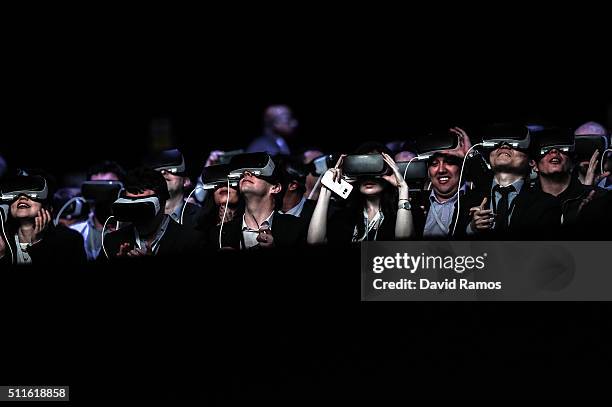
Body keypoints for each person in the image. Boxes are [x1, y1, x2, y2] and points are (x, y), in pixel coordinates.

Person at [455, 126, 561, 239]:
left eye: (514, 142)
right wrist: (471, 229)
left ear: (531, 163)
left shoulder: (546, 205)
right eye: (497, 144)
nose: (504, 145)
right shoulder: (466, 201)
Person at [307, 143, 414, 245]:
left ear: (390, 170)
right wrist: (327, 188)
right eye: (363, 167)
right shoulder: (343, 217)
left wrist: (403, 189)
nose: (369, 176)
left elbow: (404, 245)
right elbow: (314, 242)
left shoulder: (405, 213)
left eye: (374, 167)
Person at [99, 167, 202, 260]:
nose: (138, 216)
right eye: (132, 207)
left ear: (162, 203)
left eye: (144, 208)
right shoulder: (111, 242)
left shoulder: (191, 241)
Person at [216, 155, 306, 250]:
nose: (246, 173)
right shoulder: (220, 233)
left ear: (275, 188)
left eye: (257, 172)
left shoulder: (295, 228)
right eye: (243, 173)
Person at [0, 173, 86, 265]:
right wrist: (2, 255)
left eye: (32, 191)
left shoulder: (69, 240)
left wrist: (37, 245)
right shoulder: (4, 241)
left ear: (48, 206)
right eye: (16, 192)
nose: (22, 197)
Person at [530, 128, 606, 227]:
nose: (554, 152)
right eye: (545, 149)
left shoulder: (597, 198)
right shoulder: (523, 203)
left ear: (572, 162)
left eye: (562, 148)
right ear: (534, 164)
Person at [70, 161, 126, 261]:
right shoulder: (74, 232)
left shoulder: (134, 233)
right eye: (96, 188)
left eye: (109, 188)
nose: (103, 195)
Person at [147, 148, 202, 227]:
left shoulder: (200, 217)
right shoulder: (143, 216)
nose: (164, 172)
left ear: (186, 181)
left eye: (171, 170)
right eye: (159, 171)